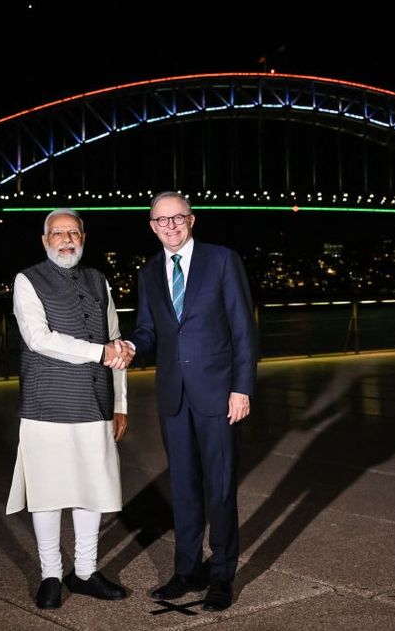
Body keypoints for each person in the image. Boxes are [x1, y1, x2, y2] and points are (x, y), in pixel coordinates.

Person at [126, 191, 258, 611]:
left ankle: (221, 574)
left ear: (191, 219)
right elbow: (148, 332)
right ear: (152, 226)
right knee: (183, 489)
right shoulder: (148, 272)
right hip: (174, 397)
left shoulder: (221, 260)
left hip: (219, 395)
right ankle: (187, 571)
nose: (171, 226)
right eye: (161, 220)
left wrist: (243, 388)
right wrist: (129, 345)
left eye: (177, 218)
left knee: (219, 488)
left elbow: (243, 328)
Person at [5, 208, 135, 609]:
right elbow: (39, 338)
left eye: (73, 232)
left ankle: (83, 572)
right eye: (57, 233)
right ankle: (49, 574)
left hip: (95, 403)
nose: (66, 239)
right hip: (46, 403)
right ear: (45, 241)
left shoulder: (99, 281)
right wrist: (100, 352)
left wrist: (120, 403)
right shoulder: (27, 280)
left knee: (89, 488)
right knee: (47, 493)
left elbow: (115, 340)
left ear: (83, 238)